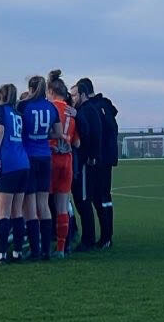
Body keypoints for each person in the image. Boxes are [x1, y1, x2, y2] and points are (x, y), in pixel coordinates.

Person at [17, 75, 63, 260]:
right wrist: (44, 135)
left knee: (29, 206)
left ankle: (34, 250)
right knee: (44, 205)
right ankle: (46, 250)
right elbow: (58, 133)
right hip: (45, 156)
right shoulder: (51, 107)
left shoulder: (23, 106)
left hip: (28, 157)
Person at [0, 84, 30, 264]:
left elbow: (0, 131)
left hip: (8, 164)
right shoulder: (18, 115)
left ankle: (1, 254)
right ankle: (17, 253)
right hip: (23, 164)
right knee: (17, 212)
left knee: (3, 212)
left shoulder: (0, 110)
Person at [82, 78, 119, 248]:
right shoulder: (105, 106)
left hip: (98, 159)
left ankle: (105, 237)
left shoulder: (94, 108)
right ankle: (107, 236)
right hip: (107, 158)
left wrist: (94, 154)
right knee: (104, 197)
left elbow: (98, 133)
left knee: (98, 197)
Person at [47, 70, 80, 258]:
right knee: (62, 206)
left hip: (51, 157)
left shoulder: (51, 108)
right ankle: (61, 248)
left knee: (42, 204)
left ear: (51, 91)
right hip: (67, 160)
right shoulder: (71, 112)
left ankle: (40, 246)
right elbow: (77, 143)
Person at [70, 80, 102, 252]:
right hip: (82, 161)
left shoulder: (86, 111)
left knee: (83, 200)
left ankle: (88, 240)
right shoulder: (84, 110)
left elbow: (93, 134)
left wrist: (91, 156)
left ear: (82, 94)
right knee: (81, 200)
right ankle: (87, 237)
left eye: (74, 95)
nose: (72, 98)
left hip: (84, 163)